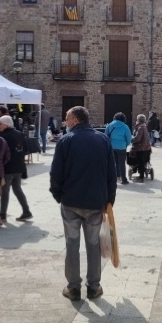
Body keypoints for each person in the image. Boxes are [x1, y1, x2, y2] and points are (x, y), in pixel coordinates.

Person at [50, 106, 116, 301]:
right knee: (93, 244)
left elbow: (56, 172)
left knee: (72, 244)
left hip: (71, 201)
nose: (65, 121)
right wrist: (109, 199)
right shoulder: (103, 140)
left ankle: (73, 287)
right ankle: (94, 287)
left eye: (67, 118)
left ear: (76, 120)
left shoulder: (66, 141)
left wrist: (58, 194)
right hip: (96, 201)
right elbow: (111, 173)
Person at [0, 115, 33, 221]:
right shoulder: (19, 133)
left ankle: (2, 214)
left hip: (8, 166)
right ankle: (26, 211)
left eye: (0, 123)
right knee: (17, 189)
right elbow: (26, 149)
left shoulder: (4, 136)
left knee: (5, 191)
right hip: (19, 166)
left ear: (6, 124)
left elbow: (1, 152)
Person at [105, 112, 132, 185]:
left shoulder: (110, 125)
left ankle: (115, 177)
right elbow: (129, 138)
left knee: (113, 163)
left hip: (112, 146)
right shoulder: (125, 126)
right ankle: (124, 179)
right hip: (122, 147)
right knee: (122, 163)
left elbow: (106, 135)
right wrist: (126, 144)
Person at [131, 114, 152, 181]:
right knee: (143, 162)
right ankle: (141, 174)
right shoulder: (144, 126)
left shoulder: (140, 128)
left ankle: (141, 177)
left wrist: (131, 139)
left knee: (140, 162)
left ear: (138, 120)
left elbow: (138, 138)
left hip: (140, 148)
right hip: (147, 147)